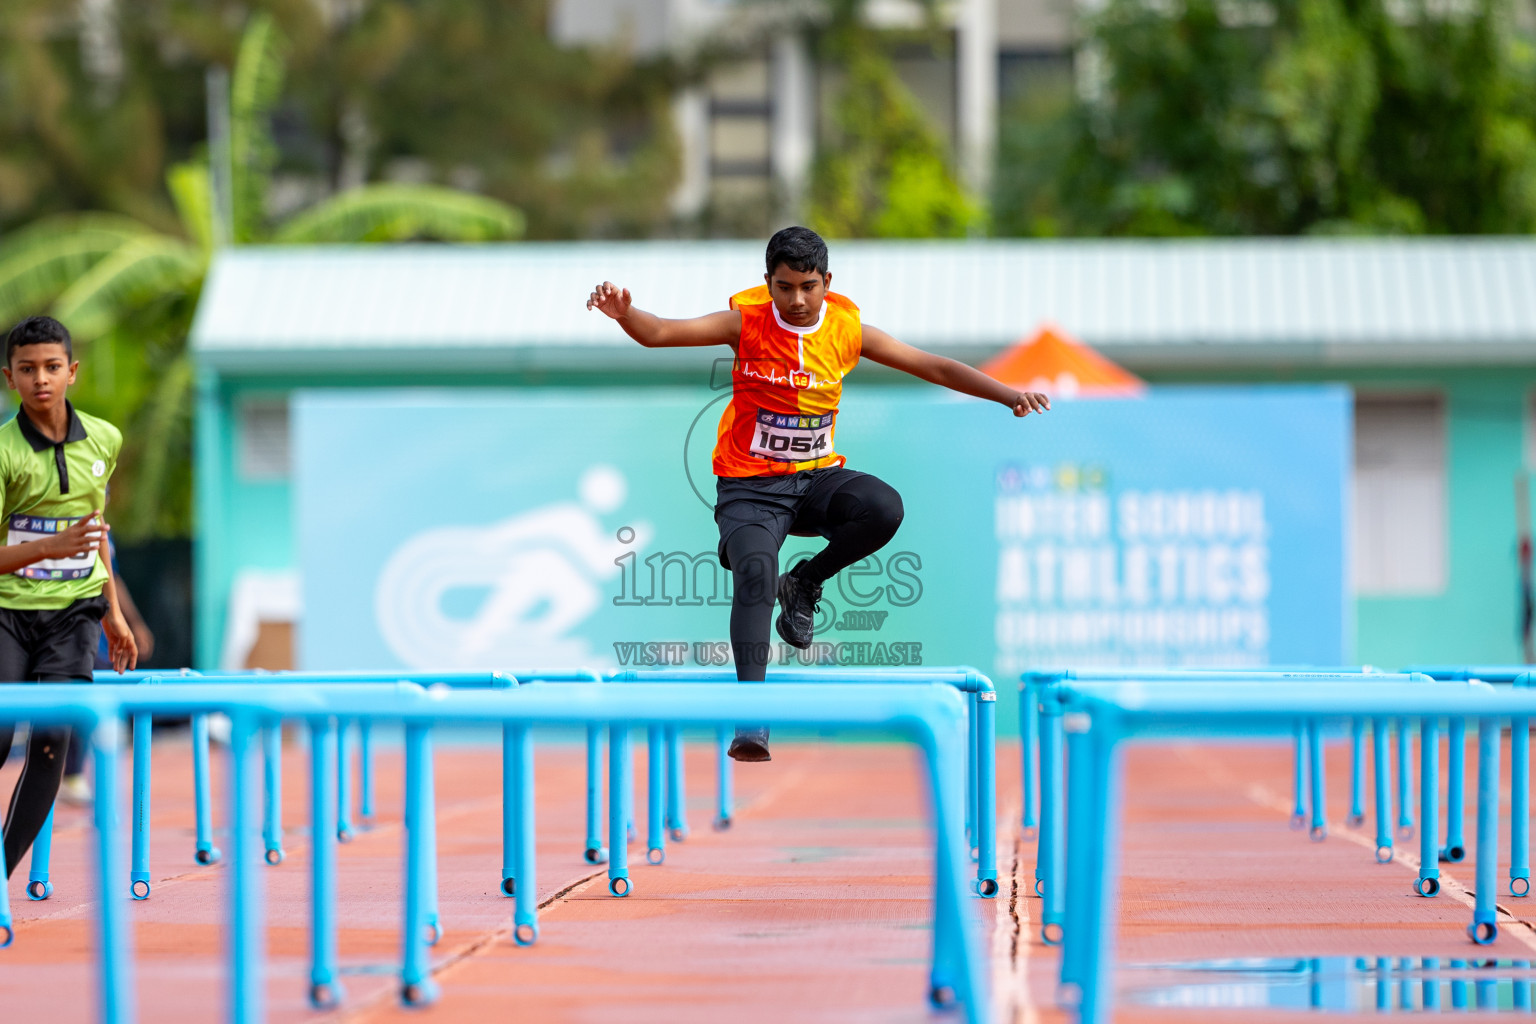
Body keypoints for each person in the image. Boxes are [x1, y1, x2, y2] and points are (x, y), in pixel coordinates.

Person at [587, 227, 1049, 762]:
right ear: (768, 284)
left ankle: (804, 582)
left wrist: (1008, 396)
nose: (798, 300)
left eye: (809, 286)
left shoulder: (848, 331)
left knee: (883, 507)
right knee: (756, 572)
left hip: (813, 482)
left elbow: (935, 366)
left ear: (827, 281)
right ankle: (753, 719)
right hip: (751, 488)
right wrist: (626, 313)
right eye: (785, 287)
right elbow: (661, 332)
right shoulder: (746, 324)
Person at [0, 315, 137, 876]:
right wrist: (48, 545)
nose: (41, 380)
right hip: (8, 611)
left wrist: (114, 612)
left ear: (72, 372)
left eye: (52, 367)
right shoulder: (5, 452)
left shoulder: (105, 439)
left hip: (75, 612)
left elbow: (95, 529)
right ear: (10, 378)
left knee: (52, 746)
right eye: (28, 370)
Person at [57, 534, 155, 806]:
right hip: (63, 627)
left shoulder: (104, 534)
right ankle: (73, 773)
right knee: (79, 694)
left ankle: (78, 773)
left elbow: (113, 579)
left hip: (98, 636)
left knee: (98, 693)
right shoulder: (67, 521)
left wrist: (129, 621)